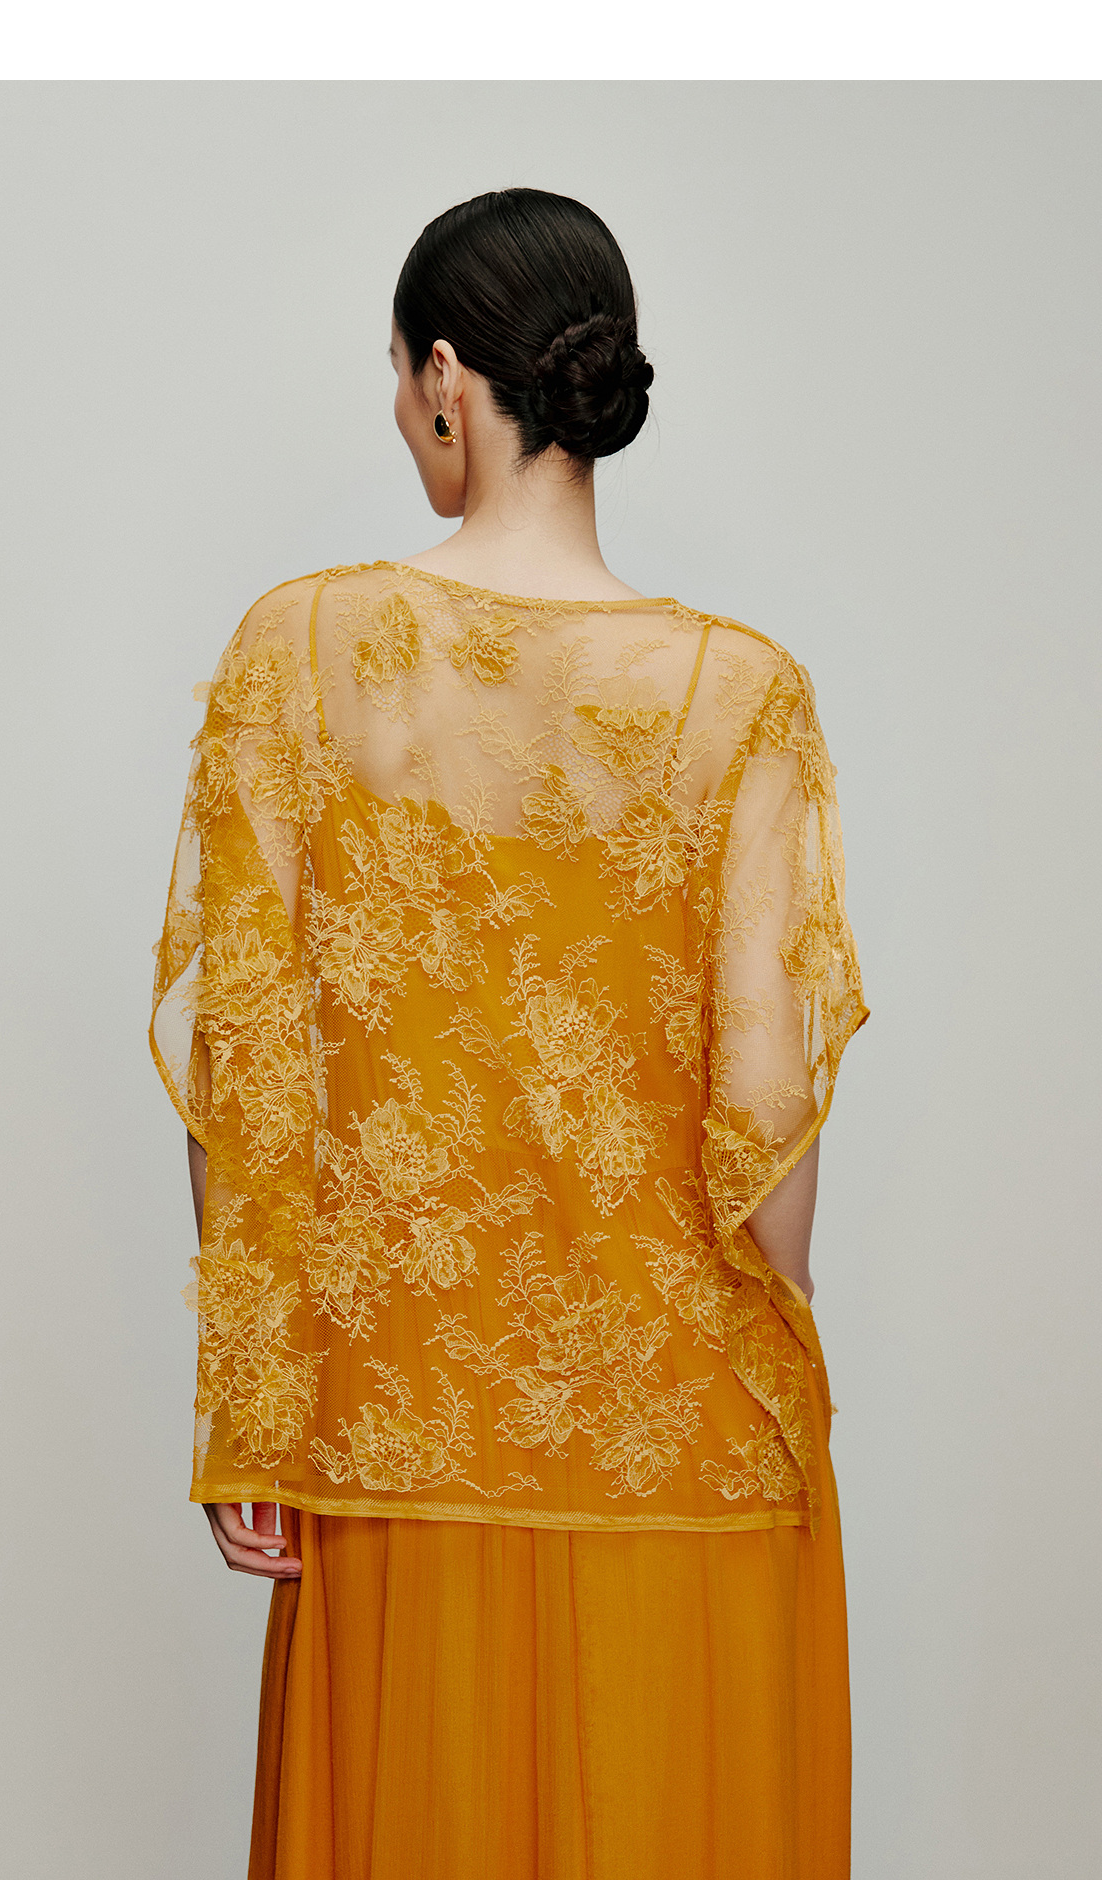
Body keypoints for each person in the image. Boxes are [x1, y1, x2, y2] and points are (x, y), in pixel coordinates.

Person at [150, 187, 868, 1880]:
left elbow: (248, 1065)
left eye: (397, 379)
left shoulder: (301, 650)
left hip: (395, 1442)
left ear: (445, 382)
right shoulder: (740, 693)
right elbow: (772, 1136)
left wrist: (255, 1402)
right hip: (689, 1453)